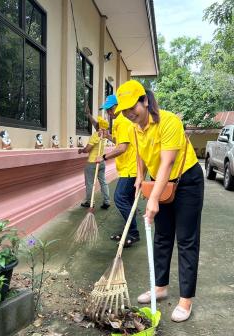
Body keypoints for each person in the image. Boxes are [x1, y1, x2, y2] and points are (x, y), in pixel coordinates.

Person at [114, 79, 204, 322]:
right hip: (160, 182)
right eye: (124, 110)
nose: (129, 113)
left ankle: (186, 300)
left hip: (186, 181)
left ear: (144, 101)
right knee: (162, 236)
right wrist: (140, 177)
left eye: (133, 107)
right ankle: (160, 287)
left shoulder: (168, 121)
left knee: (186, 240)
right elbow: (142, 154)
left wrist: (153, 199)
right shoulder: (135, 127)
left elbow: (167, 162)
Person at [94, 95, 140, 247]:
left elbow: (122, 148)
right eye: (107, 110)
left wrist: (104, 156)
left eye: (109, 109)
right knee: (128, 200)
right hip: (130, 167)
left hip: (130, 168)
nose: (108, 113)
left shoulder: (122, 121)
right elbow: (121, 142)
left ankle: (132, 233)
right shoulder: (121, 122)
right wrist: (108, 136)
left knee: (120, 198)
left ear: (116, 107)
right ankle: (129, 231)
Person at [78, 118, 111, 209]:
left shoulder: (96, 135)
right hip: (101, 161)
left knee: (89, 183)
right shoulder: (104, 135)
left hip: (92, 162)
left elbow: (87, 149)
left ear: (99, 126)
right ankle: (107, 201)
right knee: (103, 182)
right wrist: (88, 115)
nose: (95, 124)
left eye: (97, 124)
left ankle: (90, 201)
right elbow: (95, 123)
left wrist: (81, 150)